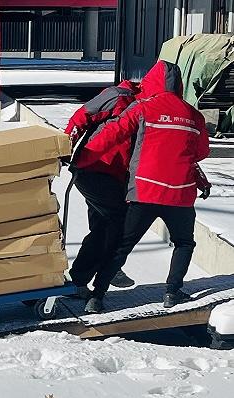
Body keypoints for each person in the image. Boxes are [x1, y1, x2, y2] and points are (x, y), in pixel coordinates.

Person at [80, 60, 210, 313]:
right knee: (183, 243)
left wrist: (82, 159)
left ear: (151, 81)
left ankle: (97, 297)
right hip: (181, 193)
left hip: (145, 190)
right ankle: (172, 292)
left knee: (122, 244)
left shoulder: (143, 107)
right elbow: (201, 151)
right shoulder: (194, 115)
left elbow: (112, 133)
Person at [64, 79, 142, 298]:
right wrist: (64, 147)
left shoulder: (144, 104)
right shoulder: (118, 95)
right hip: (94, 168)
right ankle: (84, 276)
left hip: (113, 172)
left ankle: (92, 273)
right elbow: (82, 116)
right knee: (116, 221)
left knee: (103, 225)